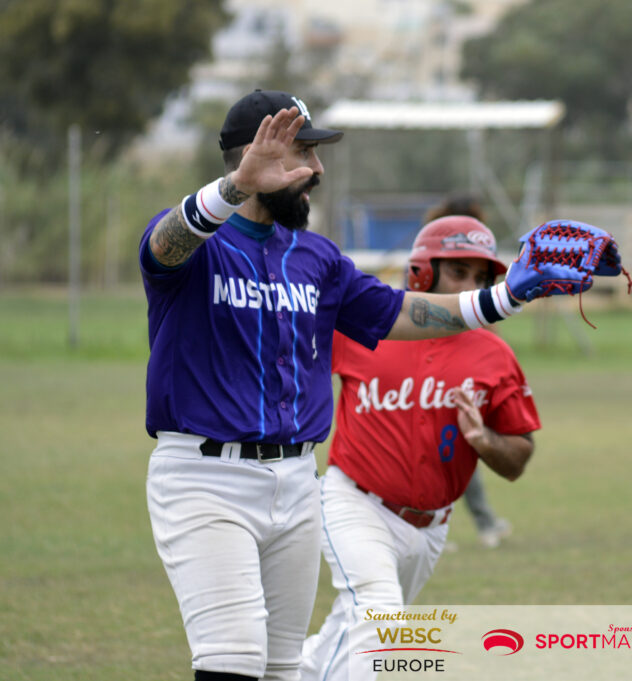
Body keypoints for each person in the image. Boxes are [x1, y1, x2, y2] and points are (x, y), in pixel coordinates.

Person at [139, 90, 534, 681]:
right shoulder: (199, 245)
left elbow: (404, 312)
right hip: (206, 481)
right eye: (304, 154)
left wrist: (507, 295)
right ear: (255, 158)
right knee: (233, 658)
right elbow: (161, 246)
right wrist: (233, 189)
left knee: (280, 669)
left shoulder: (317, 258)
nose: (317, 171)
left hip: (297, 483)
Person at [299, 214, 540, 681]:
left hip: (431, 527)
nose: (471, 284)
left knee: (352, 629)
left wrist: (482, 440)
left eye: (481, 277)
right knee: (381, 620)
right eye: (458, 271)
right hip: (356, 502)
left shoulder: (493, 354)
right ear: (422, 273)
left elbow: (517, 460)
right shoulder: (365, 330)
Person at [422, 195, 514, 549]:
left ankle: (462, 520)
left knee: (455, 441)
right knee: (454, 441)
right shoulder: (438, 262)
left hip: (452, 361)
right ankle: (469, 521)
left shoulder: (458, 262)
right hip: (443, 362)